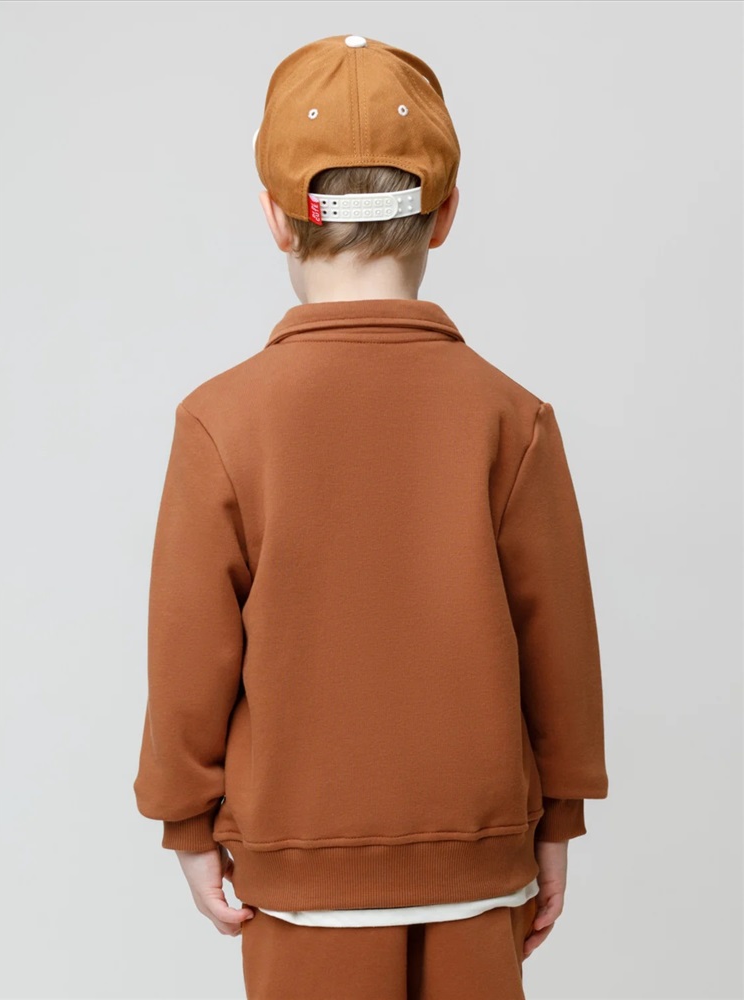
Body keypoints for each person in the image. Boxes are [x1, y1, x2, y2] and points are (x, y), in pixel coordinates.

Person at [133, 33, 609, 1000]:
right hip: (480, 861)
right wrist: (558, 819)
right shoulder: (512, 418)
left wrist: (186, 821)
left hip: (299, 864)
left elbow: (190, 651)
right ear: (446, 214)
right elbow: (558, 638)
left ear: (276, 219)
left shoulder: (220, 422)